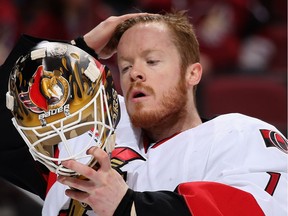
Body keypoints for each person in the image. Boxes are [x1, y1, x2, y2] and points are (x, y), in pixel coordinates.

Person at [1, 11, 287, 216]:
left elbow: (255, 208)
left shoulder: (239, 136)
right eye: (125, 66)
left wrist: (128, 205)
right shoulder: (85, 135)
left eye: (152, 61)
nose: (135, 73)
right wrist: (79, 50)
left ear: (193, 73)